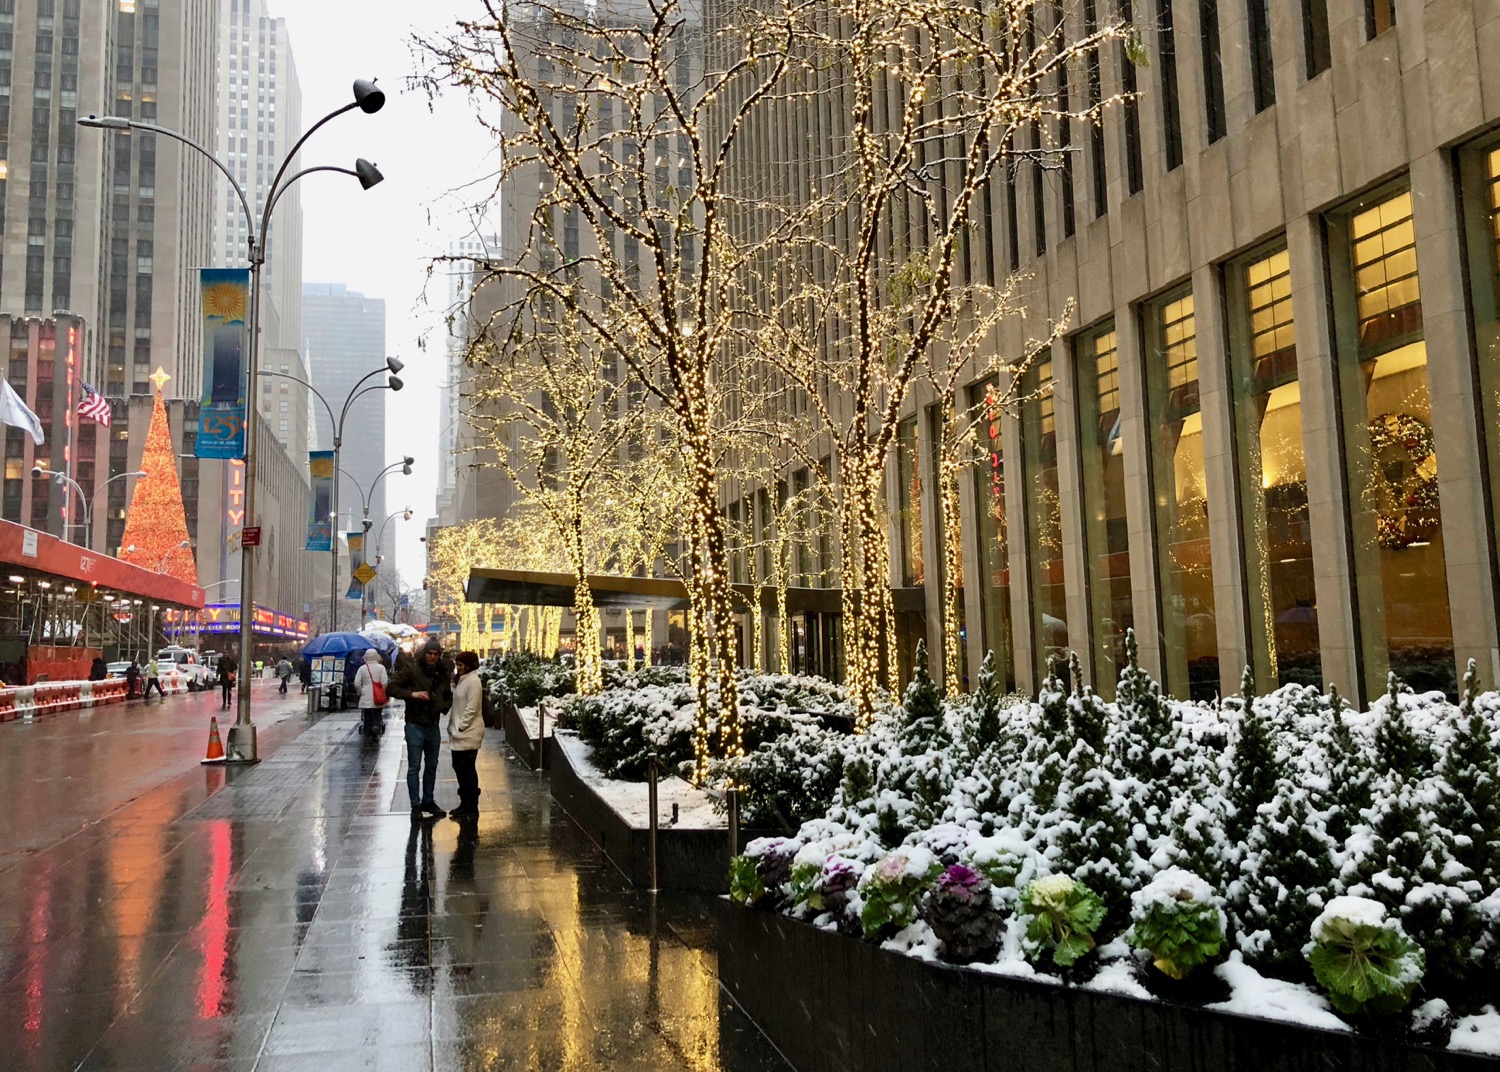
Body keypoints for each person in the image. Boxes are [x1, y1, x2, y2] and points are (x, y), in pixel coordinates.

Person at [389, 637, 453, 821]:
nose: (432, 657)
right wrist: (412, 695)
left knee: (432, 765)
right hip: (415, 723)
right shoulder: (412, 669)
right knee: (414, 766)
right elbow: (391, 688)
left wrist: (442, 705)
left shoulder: (443, 672)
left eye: (436, 654)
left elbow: (447, 694)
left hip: (432, 723)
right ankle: (415, 804)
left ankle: (428, 800)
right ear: (424, 654)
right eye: (430, 654)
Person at [447, 651, 485, 818]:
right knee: (460, 768)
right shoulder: (462, 680)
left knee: (467, 769)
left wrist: (461, 727)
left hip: (468, 732)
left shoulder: (473, 682)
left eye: (461, 665)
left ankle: (471, 804)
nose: (458, 667)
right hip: (459, 732)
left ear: (469, 666)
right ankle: (465, 803)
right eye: (457, 664)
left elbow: (472, 707)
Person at [353, 648, 389, 737]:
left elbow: (357, 683)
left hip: (366, 695)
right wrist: (381, 691)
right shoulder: (381, 668)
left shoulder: (362, 668)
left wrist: (360, 691)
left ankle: (368, 731)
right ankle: (376, 726)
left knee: (367, 715)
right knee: (377, 713)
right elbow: (384, 682)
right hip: (378, 696)